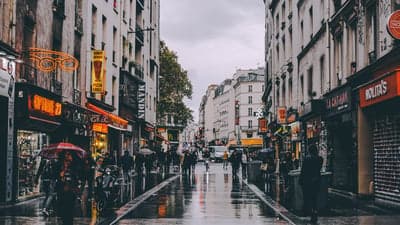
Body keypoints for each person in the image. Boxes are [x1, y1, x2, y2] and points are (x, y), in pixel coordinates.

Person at [56, 151, 82, 225]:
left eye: (70, 155)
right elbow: (57, 177)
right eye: (67, 155)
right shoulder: (59, 166)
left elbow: (77, 178)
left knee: (70, 210)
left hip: (71, 191)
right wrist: (62, 173)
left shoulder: (74, 167)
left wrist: (76, 187)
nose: (69, 157)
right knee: (63, 211)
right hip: (62, 191)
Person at [299, 145, 323, 224]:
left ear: (309, 150)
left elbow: (303, 170)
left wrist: (301, 180)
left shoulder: (307, 159)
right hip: (316, 181)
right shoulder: (320, 159)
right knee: (314, 197)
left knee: (307, 197)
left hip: (307, 181)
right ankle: (314, 211)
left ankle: (307, 211)